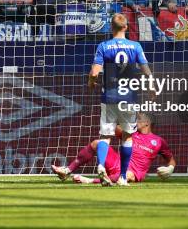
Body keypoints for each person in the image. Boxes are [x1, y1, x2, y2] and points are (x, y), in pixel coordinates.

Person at [87, 13, 152, 186]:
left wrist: (91, 82)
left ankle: (101, 165)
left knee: (106, 135)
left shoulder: (103, 46)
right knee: (127, 137)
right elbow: (146, 71)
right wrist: (152, 86)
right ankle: (123, 177)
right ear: (126, 27)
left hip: (109, 97)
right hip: (129, 98)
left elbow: (94, 72)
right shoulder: (135, 46)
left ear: (111, 27)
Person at [52, 112, 176, 184]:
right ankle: (67, 171)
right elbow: (114, 129)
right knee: (97, 143)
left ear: (147, 123)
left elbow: (171, 160)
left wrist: (170, 168)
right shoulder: (130, 132)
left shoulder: (159, 141)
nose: (136, 120)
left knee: (128, 175)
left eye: (139, 119)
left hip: (132, 173)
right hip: (117, 163)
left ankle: (90, 181)